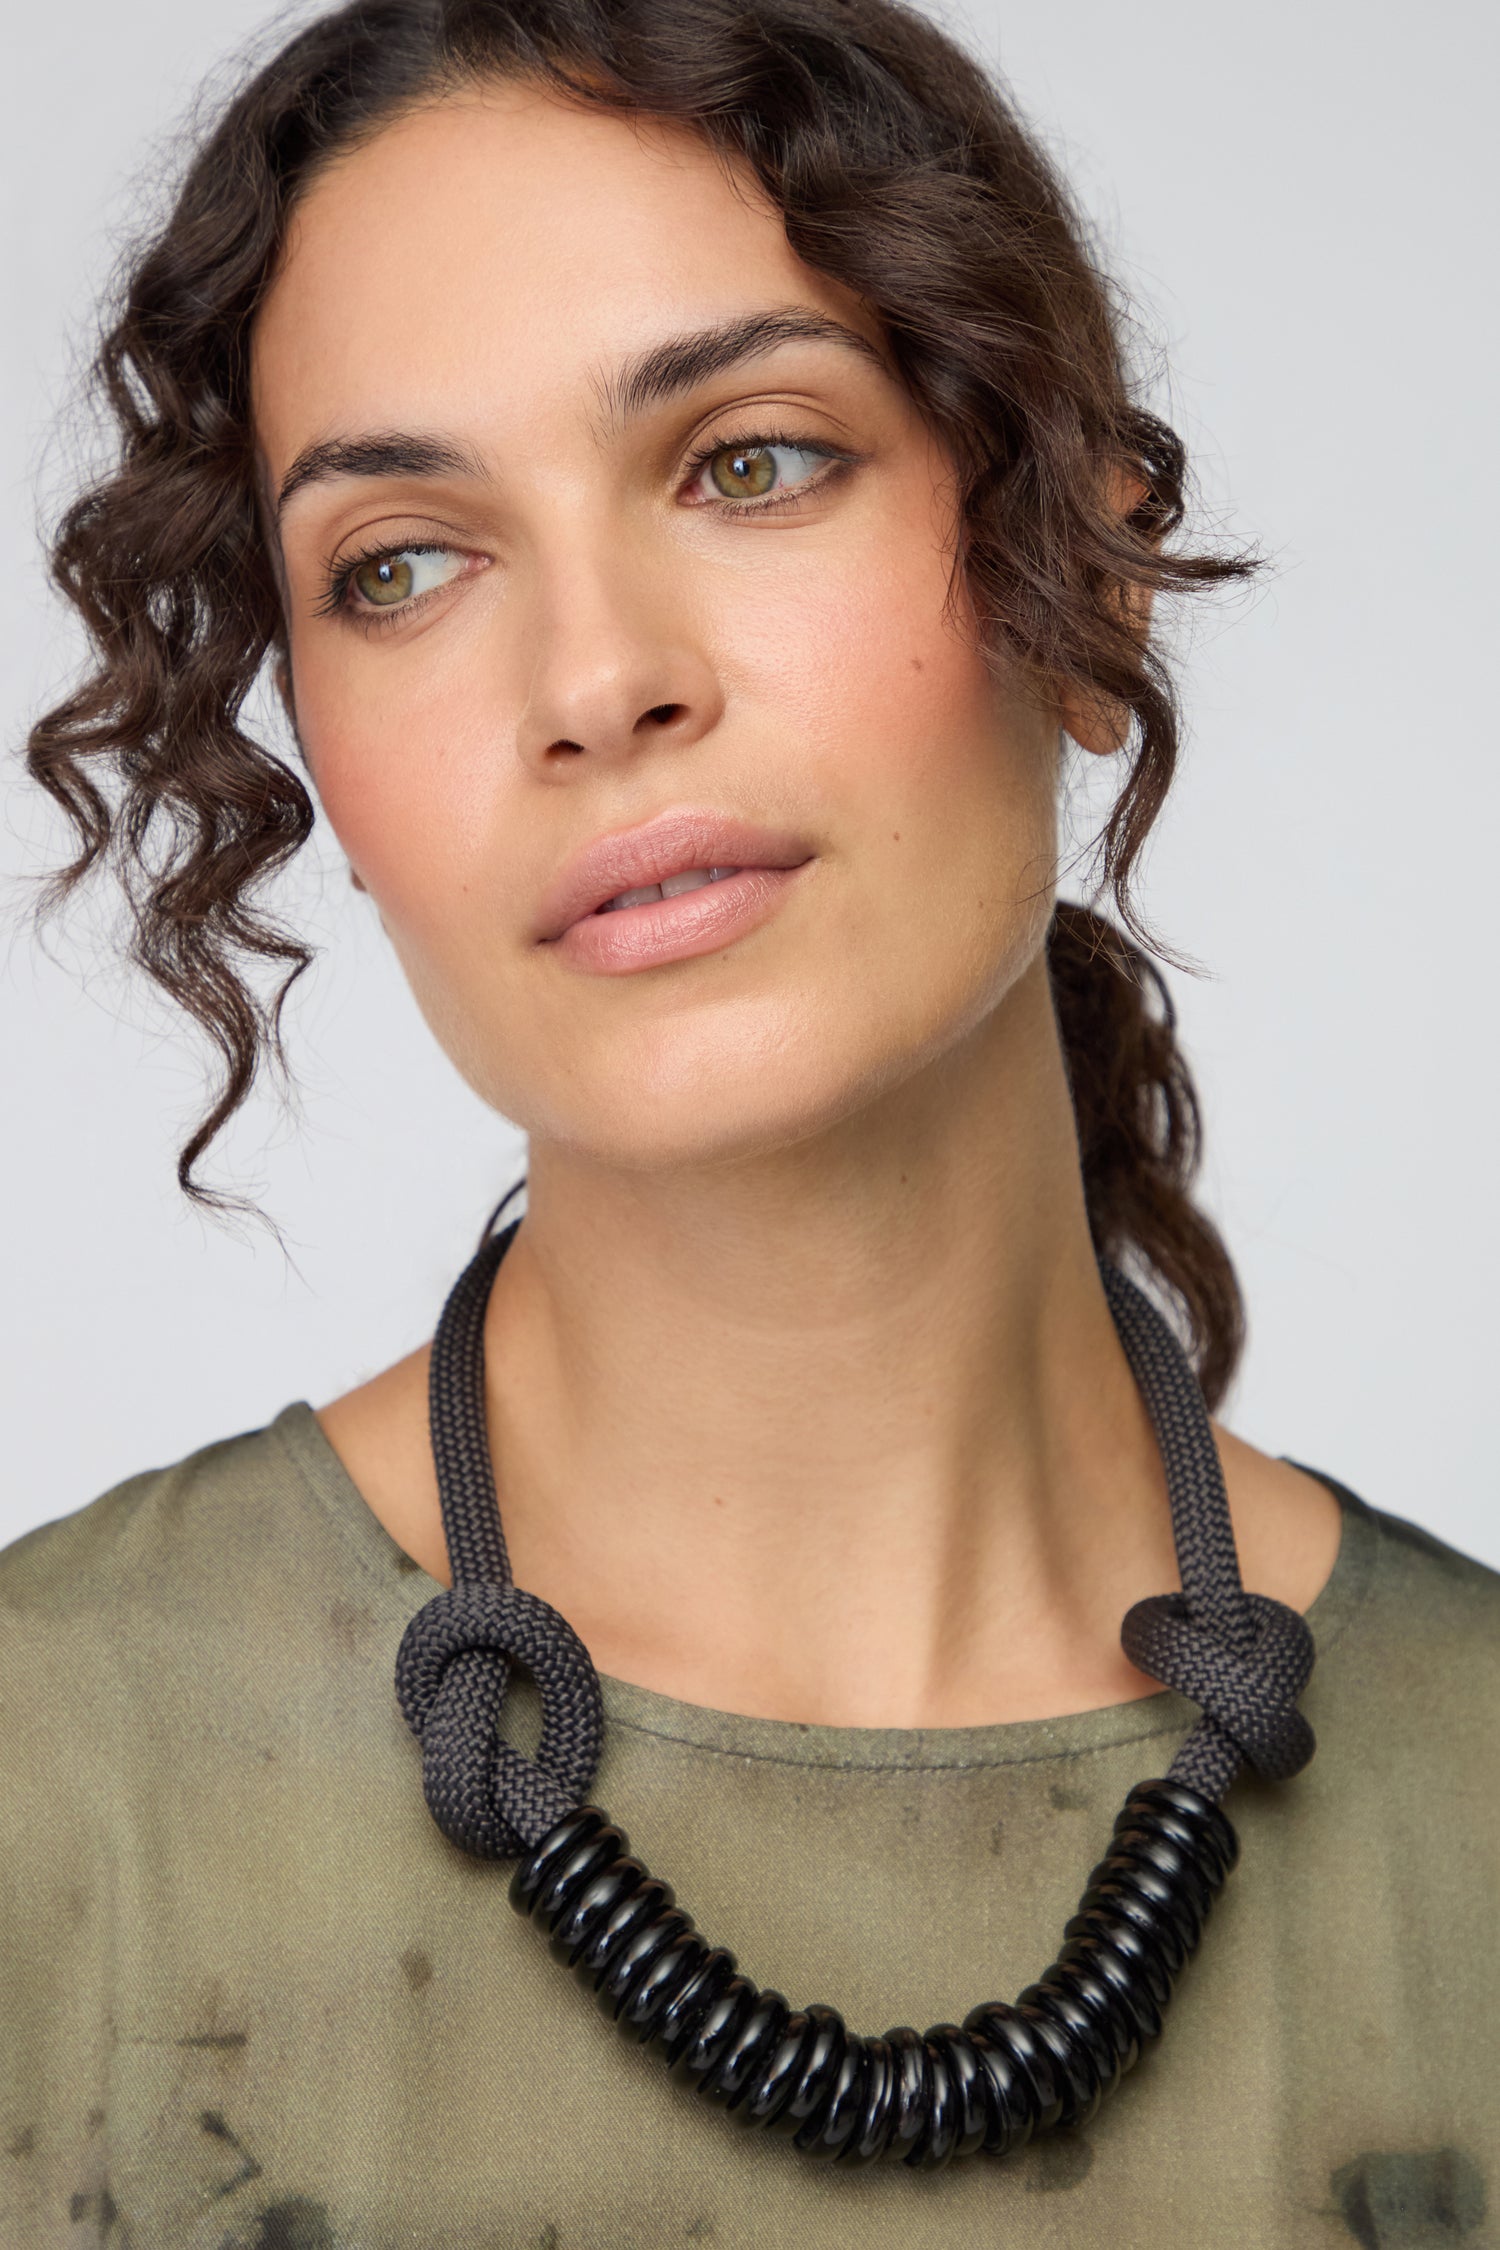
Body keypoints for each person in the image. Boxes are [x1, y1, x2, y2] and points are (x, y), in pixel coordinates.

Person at [4, 0, 1496, 2242]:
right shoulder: (49, 1788)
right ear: (321, 765)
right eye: (402, 561)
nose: (598, 681)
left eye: (748, 459)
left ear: (1076, 581)